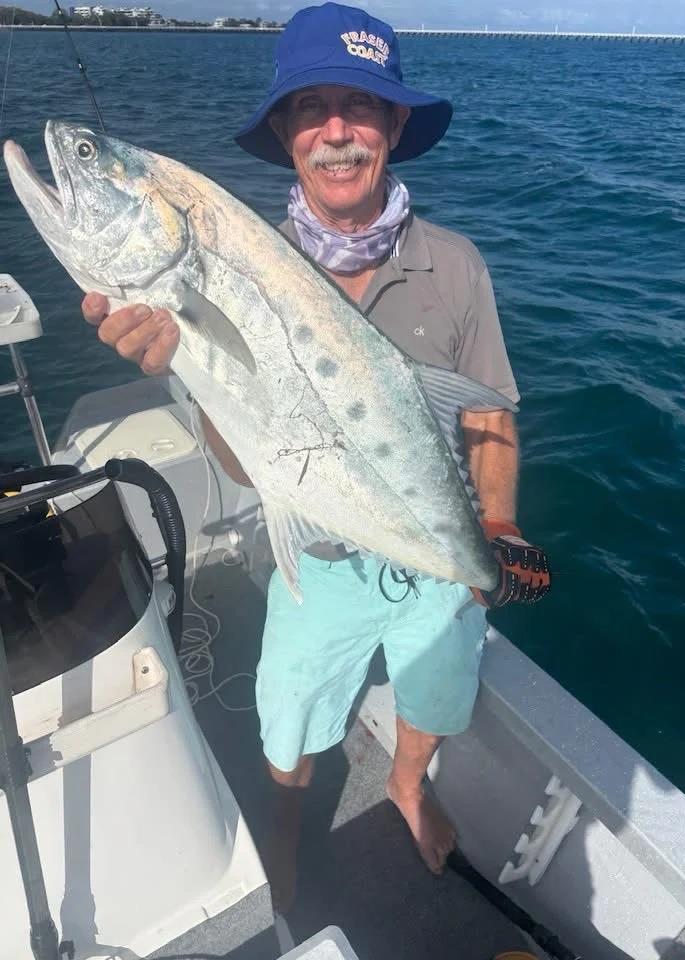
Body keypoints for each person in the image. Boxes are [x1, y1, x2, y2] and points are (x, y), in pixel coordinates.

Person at [82, 2, 551, 911]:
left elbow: (490, 422)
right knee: (290, 711)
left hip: (437, 561)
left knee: (439, 691)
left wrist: (494, 526)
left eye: (362, 105)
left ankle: (409, 788)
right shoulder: (236, 262)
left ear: (396, 126)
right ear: (287, 135)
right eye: (311, 108)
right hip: (319, 551)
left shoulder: (457, 267)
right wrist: (183, 360)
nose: (337, 131)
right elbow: (248, 456)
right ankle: (285, 832)